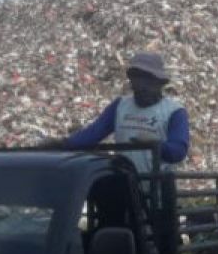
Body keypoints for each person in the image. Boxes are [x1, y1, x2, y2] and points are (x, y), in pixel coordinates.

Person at [55, 52, 190, 173]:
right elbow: (94, 133)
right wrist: (62, 144)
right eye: (138, 81)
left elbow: (178, 151)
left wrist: (156, 144)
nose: (142, 87)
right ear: (132, 83)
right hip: (126, 185)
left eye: (148, 82)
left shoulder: (174, 112)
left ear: (159, 83)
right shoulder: (120, 106)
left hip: (158, 187)